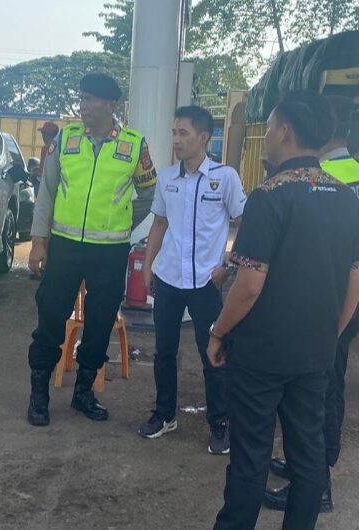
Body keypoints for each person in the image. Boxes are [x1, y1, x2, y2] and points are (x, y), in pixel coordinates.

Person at [208, 91, 359, 530]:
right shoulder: (347, 199)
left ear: (286, 131)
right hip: (316, 351)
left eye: (271, 127)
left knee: (251, 456)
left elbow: (249, 285)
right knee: (308, 455)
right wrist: (331, 333)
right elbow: (355, 281)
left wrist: (218, 331)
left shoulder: (269, 196)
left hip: (262, 354)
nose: (269, 135)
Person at [26, 72, 156, 426]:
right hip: (65, 247)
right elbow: (47, 192)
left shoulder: (134, 145)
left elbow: (148, 194)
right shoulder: (66, 139)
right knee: (50, 316)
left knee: (100, 323)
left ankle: (83, 392)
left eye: (89, 99)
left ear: (110, 105)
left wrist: (121, 220)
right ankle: (39, 392)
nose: (82, 106)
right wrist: (38, 242)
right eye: (81, 98)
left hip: (110, 251)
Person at [264, 95, 359, 514]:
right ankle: (307, 468)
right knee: (320, 384)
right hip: (342, 295)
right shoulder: (351, 173)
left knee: (319, 391)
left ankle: (316, 480)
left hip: (328, 295)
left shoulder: (318, 178)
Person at [139, 105, 246, 454]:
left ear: (203, 137)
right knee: (164, 351)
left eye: (183, 133)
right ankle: (164, 414)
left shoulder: (224, 178)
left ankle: (219, 424)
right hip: (169, 278)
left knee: (212, 353)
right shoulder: (168, 179)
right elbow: (159, 224)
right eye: (174, 132)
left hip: (206, 282)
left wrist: (227, 265)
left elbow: (244, 223)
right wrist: (148, 265)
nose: (176, 139)